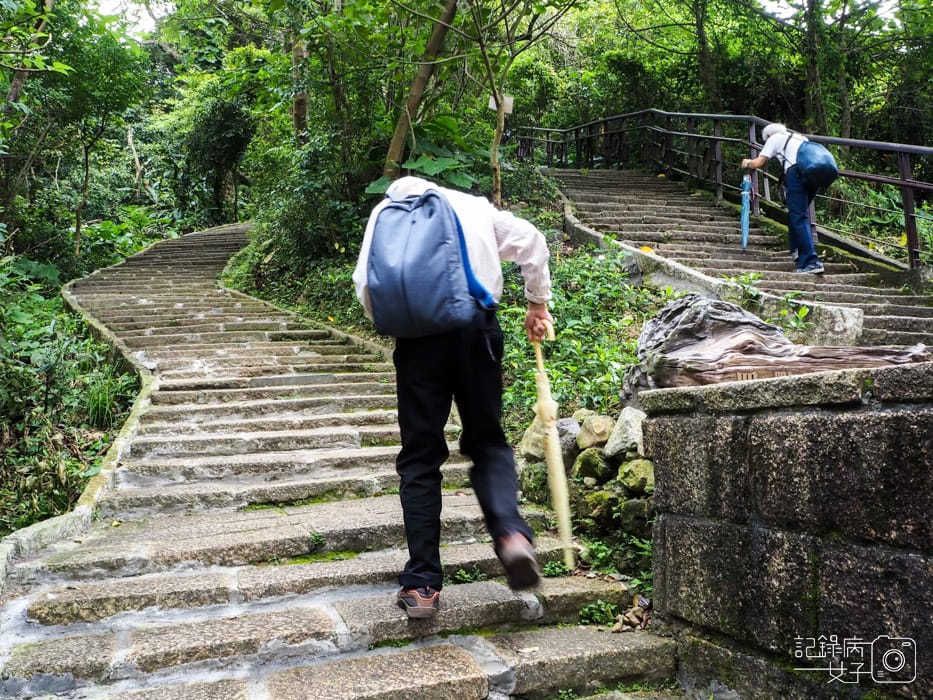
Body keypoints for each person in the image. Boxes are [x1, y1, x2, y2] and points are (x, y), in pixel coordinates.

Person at [353, 175, 554, 618]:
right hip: (476, 329)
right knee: (486, 442)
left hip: (418, 342)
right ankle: (511, 535)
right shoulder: (471, 205)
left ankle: (423, 584)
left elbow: (366, 286)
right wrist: (537, 303)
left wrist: (404, 321)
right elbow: (531, 241)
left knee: (420, 456)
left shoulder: (383, 215)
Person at [742, 122, 825, 274]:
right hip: (813, 175)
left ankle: (811, 262)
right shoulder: (801, 138)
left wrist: (747, 162)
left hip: (796, 174)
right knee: (797, 214)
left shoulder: (774, 138)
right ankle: (797, 252)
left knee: (798, 217)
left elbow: (758, 162)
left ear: (768, 136)